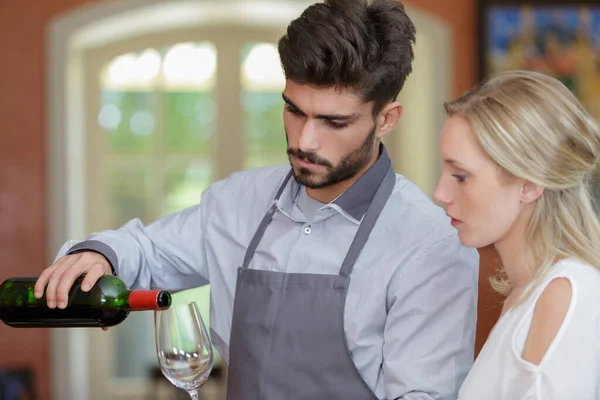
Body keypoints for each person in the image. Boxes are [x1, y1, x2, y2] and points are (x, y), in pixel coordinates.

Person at [36, 0, 479, 399]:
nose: (305, 140)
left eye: (334, 122)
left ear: (387, 119)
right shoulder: (237, 202)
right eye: (294, 110)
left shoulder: (431, 245)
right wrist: (100, 256)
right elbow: (147, 252)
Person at [433, 69, 600, 400]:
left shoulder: (565, 293)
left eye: (461, 176)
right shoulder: (527, 295)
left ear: (529, 184)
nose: (439, 192)